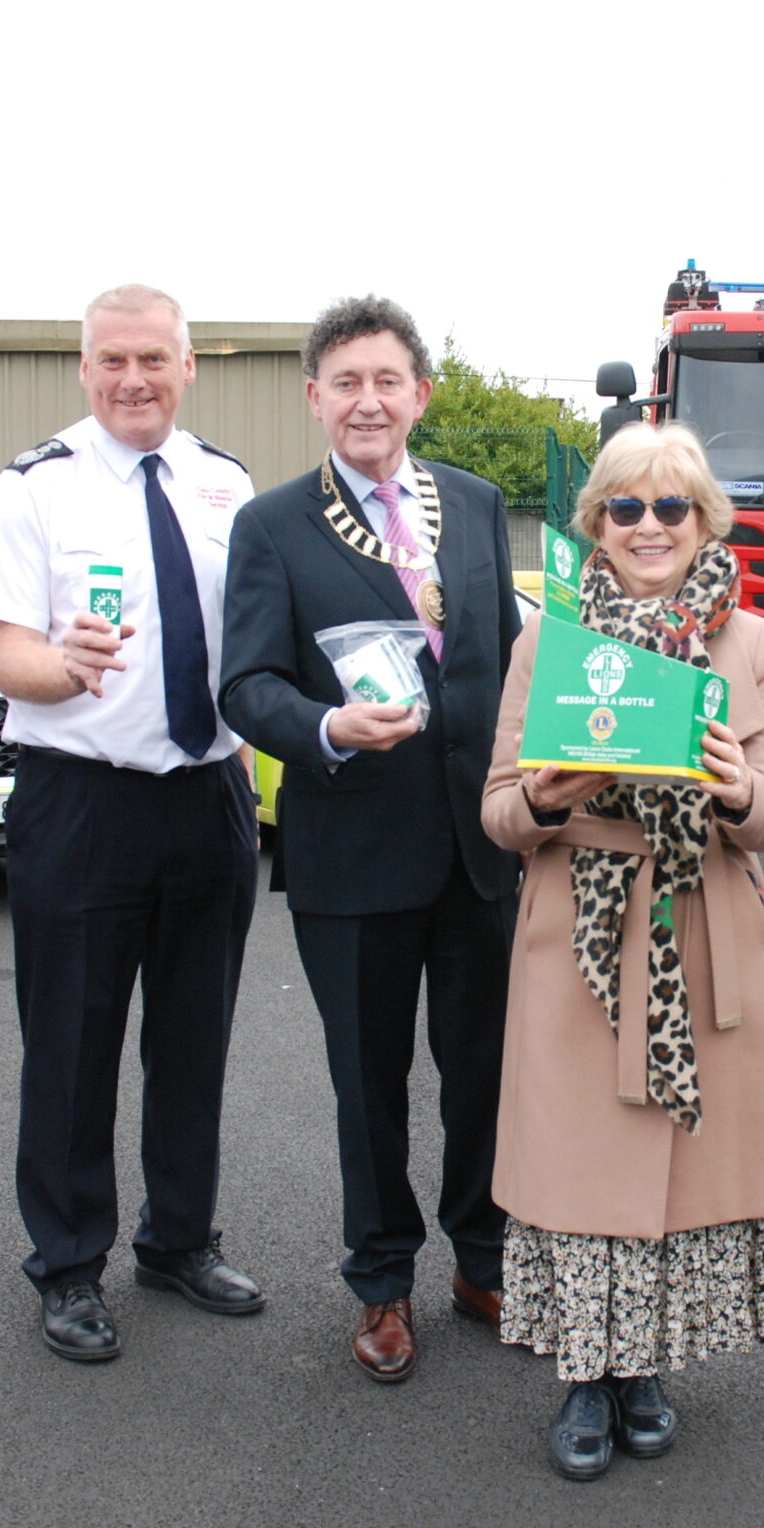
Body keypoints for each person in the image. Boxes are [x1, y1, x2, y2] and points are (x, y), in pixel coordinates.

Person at [482, 423, 764, 1481]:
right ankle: (587, 1372)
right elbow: (496, 811)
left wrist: (732, 787)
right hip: (574, 936)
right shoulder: (549, 642)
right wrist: (542, 795)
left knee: (676, 1165)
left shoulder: (754, 641)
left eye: (670, 507)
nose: (648, 527)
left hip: (700, 924)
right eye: (624, 508)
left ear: (704, 520)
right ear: (594, 525)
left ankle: (647, 1368)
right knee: (581, 1163)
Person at [220, 295, 521, 1382]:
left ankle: (482, 1257)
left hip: (479, 848)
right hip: (351, 845)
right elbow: (245, 685)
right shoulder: (271, 526)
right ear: (314, 398)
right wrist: (324, 729)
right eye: (344, 382)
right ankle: (381, 1279)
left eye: (386, 380)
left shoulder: (478, 506)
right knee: (369, 1080)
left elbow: (497, 663)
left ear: (420, 395)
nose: (367, 401)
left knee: (484, 1070)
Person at [0, 284, 264, 1363]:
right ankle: (68, 1262)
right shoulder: (32, 489)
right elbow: (8, 654)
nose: (132, 379)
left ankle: (178, 1237)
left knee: (194, 1039)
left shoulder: (225, 481)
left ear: (188, 366)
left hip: (209, 795)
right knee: (72, 1047)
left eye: (153, 359)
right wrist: (62, 665)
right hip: (80, 799)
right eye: (111, 362)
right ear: (84, 371)